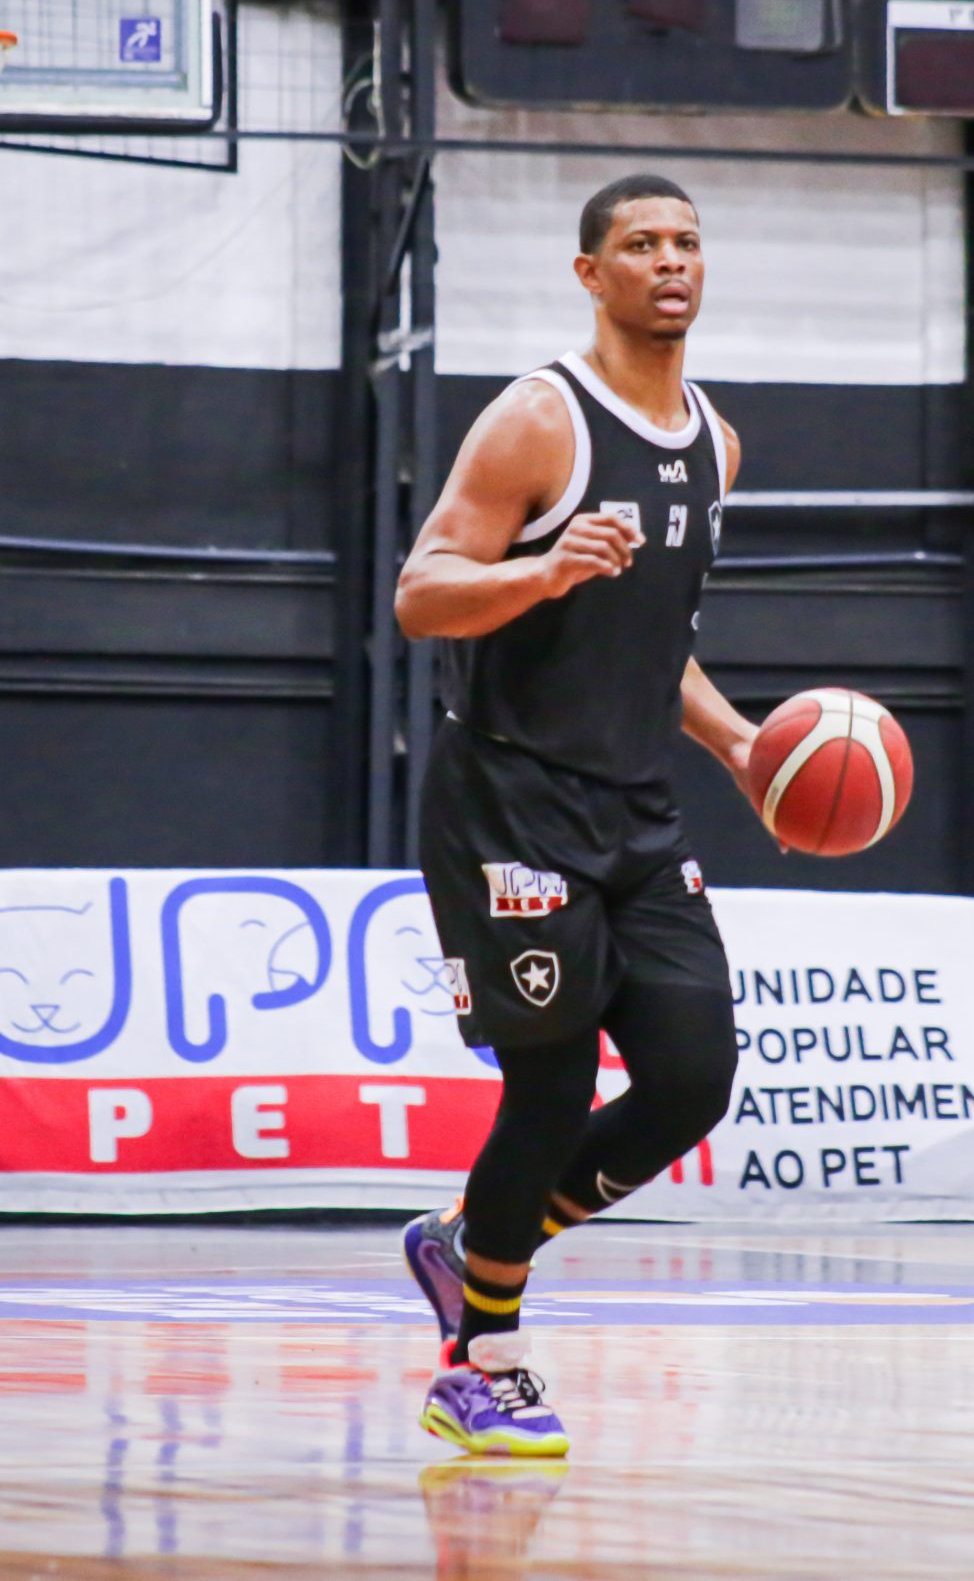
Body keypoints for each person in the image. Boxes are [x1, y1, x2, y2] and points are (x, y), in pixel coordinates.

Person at [392, 174, 758, 1457]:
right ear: (591, 275)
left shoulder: (716, 443)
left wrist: (741, 744)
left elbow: (655, 644)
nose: (670, 261)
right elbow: (421, 592)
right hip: (510, 805)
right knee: (547, 1087)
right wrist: (541, 570)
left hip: (638, 810)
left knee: (692, 1079)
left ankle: (474, 1247)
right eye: (640, 245)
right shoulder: (538, 419)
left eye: (686, 242)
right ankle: (480, 1359)